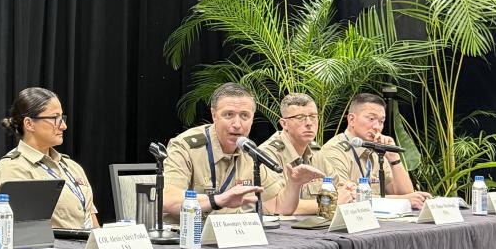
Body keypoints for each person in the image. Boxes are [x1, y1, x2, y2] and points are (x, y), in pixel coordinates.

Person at [162, 83, 325, 223]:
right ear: (214, 115)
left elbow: (278, 206)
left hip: (233, 237)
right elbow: (167, 199)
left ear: (252, 118)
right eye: (228, 115)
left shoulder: (251, 153)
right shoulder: (185, 146)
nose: (237, 124)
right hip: (185, 238)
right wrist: (218, 200)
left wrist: (294, 185)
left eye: (244, 116)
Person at [0, 87, 100, 230]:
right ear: (29, 124)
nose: (64, 126)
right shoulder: (12, 169)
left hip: (85, 242)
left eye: (62, 118)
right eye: (55, 118)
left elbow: (93, 223)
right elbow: (22, 232)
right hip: (56, 244)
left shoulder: (72, 167)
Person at [316, 93, 431, 209]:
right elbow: (347, 198)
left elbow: (406, 194)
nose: (377, 127)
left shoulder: (377, 151)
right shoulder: (334, 151)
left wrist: (394, 158)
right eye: (371, 119)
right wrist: (401, 200)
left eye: (381, 121)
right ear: (351, 119)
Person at [259, 92, 354, 215]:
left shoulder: (315, 153)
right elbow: (277, 206)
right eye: (300, 117)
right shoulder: (268, 155)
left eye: (313, 116)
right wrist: (330, 203)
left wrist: (348, 190)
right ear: (284, 123)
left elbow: (338, 187)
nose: (309, 123)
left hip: (316, 224)